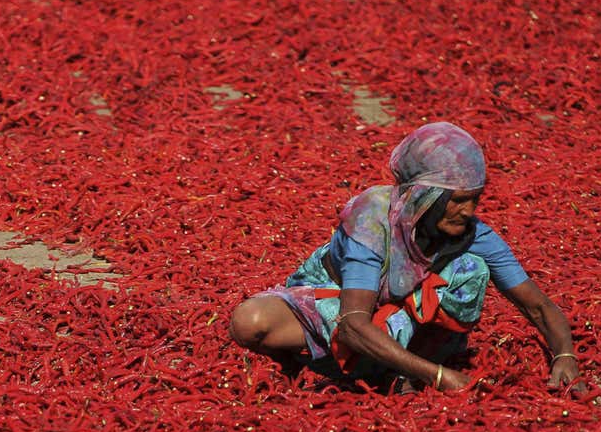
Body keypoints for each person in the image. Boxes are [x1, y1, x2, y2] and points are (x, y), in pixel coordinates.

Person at [229, 122, 579, 391]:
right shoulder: (372, 219)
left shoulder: (471, 233)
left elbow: (538, 306)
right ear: (423, 195)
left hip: (401, 318)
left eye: (475, 198)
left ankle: (393, 364)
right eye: (456, 199)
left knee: (471, 267)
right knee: (251, 320)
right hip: (339, 301)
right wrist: (440, 377)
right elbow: (353, 324)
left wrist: (565, 356)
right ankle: (388, 366)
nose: (467, 210)